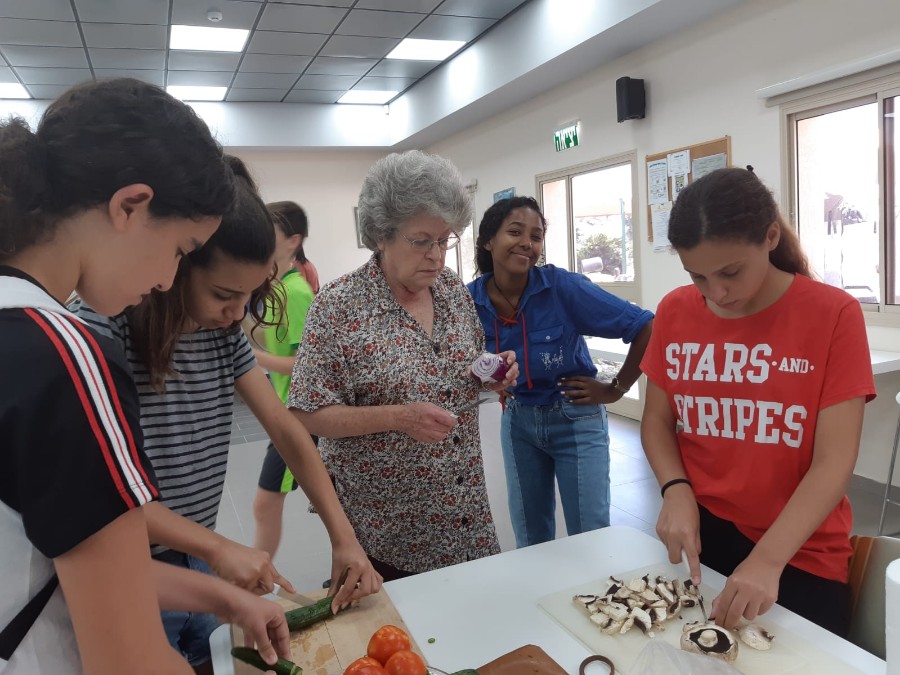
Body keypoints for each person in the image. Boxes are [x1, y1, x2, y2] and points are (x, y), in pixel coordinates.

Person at [0, 78, 289, 675]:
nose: (167, 279)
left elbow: (58, 561)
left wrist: (220, 594)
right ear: (129, 206)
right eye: (182, 249)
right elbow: (129, 662)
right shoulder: (67, 355)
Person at [74, 157, 379, 672]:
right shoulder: (104, 331)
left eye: (251, 295)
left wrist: (342, 535)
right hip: (127, 571)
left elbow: (285, 426)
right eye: (223, 294)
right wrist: (218, 548)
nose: (238, 313)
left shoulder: (220, 333)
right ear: (176, 263)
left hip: (194, 558)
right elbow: (107, 495)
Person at [640, 166, 876, 636]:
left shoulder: (832, 314)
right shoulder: (675, 310)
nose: (716, 293)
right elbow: (657, 423)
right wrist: (675, 489)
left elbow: (834, 460)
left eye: (730, 272)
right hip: (702, 536)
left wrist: (767, 559)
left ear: (770, 237)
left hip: (798, 546)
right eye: (698, 276)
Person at [289, 150, 517, 581]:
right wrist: (399, 417)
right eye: (421, 241)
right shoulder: (338, 307)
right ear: (381, 235)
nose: (437, 255)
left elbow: (464, 363)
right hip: (388, 535)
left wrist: (493, 370)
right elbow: (306, 413)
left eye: (445, 240)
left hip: (466, 517)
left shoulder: (450, 289)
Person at [467, 196, 653, 549]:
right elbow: (460, 365)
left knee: (591, 535)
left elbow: (646, 326)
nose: (527, 243)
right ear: (489, 240)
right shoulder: (467, 302)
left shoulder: (563, 288)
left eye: (535, 236)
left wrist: (615, 389)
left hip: (575, 419)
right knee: (531, 538)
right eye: (515, 232)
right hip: (518, 422)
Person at [252, 201, 317, 557]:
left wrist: (248, 359)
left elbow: (305, 366)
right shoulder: (279, 288)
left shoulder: (295, 293)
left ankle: (259, 585)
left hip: (298, 417)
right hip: (285, 412)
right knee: (330, 500)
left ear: (292, 241)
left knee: (265, 504)